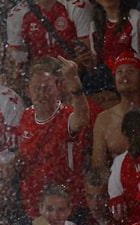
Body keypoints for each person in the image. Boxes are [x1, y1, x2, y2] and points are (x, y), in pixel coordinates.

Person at [17, 57, 90, 216]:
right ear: (28, 90)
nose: (41, 94)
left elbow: (82, 118)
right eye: (37, 88)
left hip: (65, 209)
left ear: (58, 88)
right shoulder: (26, 116)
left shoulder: (66, 116)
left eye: (47, 88)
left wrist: (74, 82)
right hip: (33, 206)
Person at [90, 53, 140, 169]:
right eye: (119, 72)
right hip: (117, 179)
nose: (124, 76)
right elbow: (98, 167)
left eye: (130, 71)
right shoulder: (103, 119)